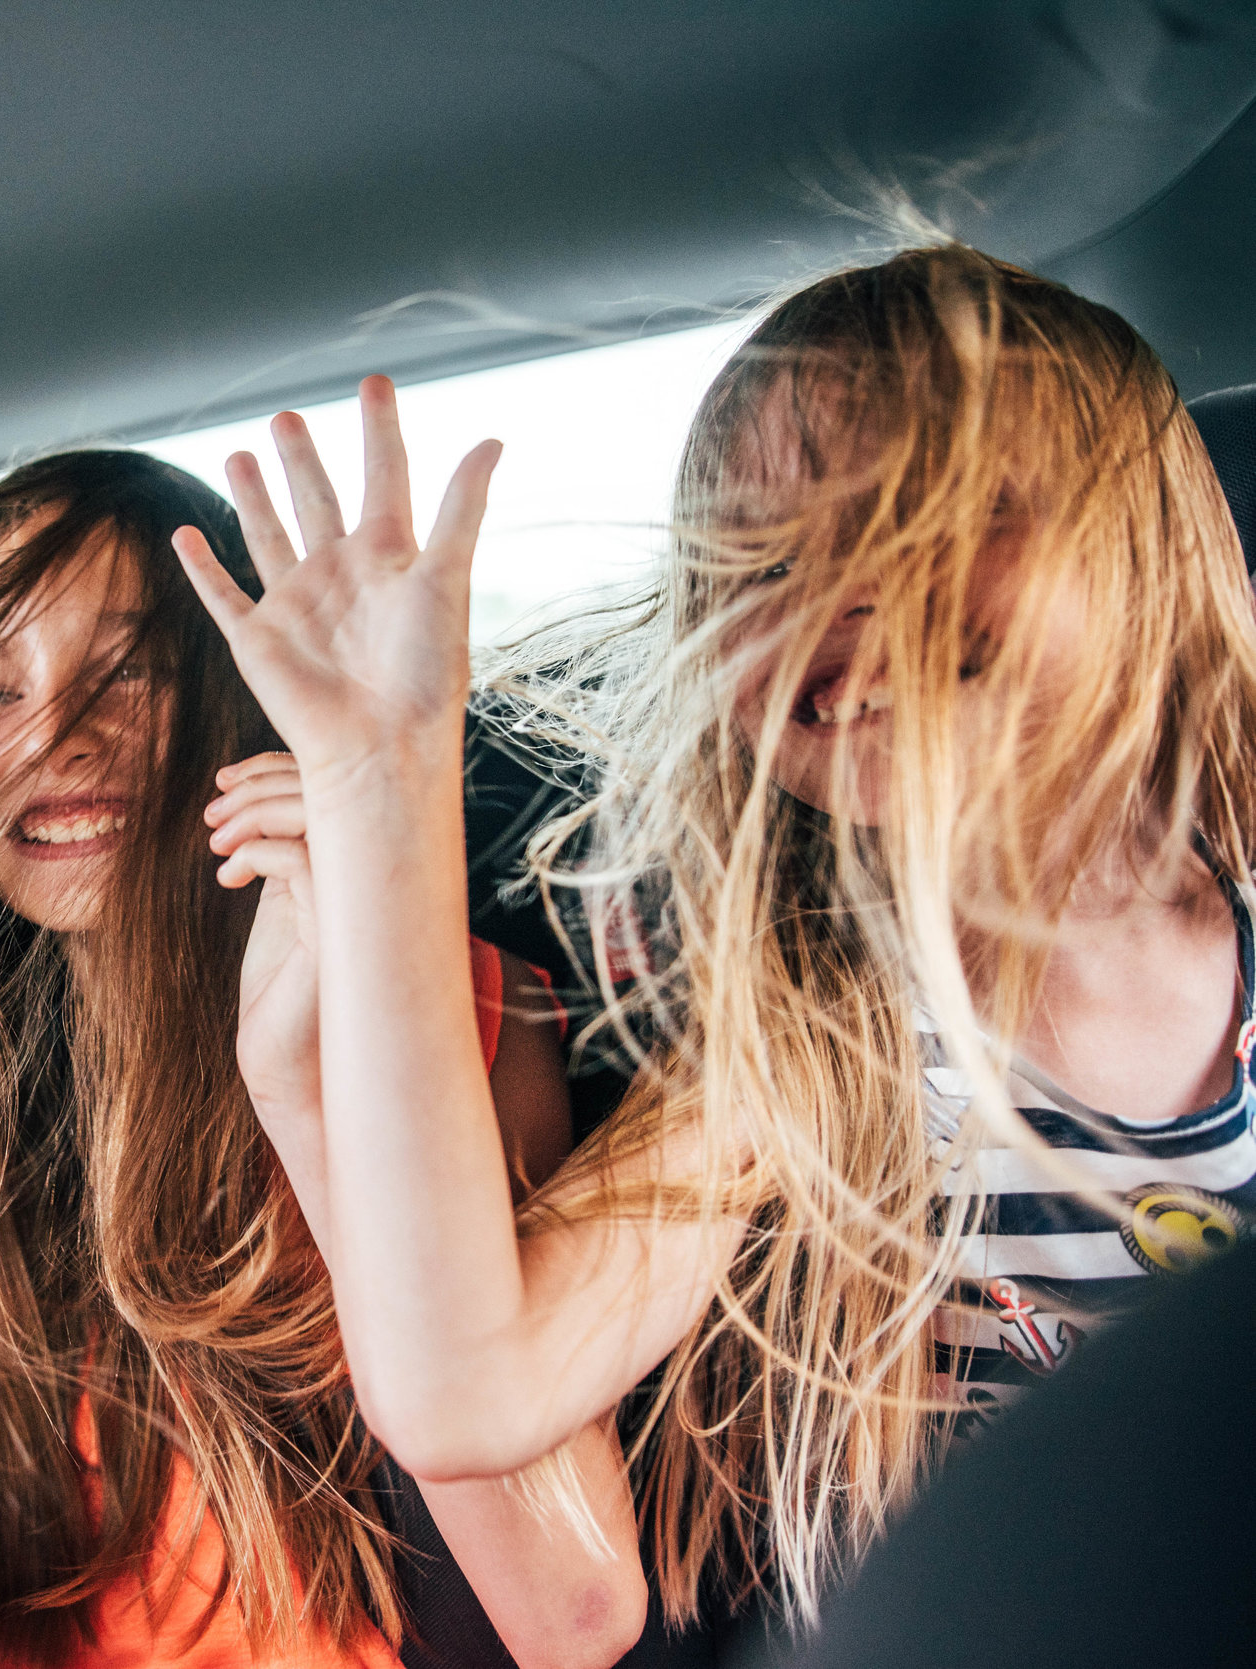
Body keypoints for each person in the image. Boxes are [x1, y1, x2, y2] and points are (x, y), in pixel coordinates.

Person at [170, 247, 1256, 1636]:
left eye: (933, 511)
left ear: (1152, 549)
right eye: (757, 562)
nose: (839, 596)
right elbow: (467, 1383)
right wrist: (386, 782)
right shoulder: (815, 1042)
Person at [0, 450, 650, 1668]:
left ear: (251, 702)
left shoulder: (450, 1009)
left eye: (133, 669)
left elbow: (565, 1611)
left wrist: (319, 1054)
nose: (56, 739)